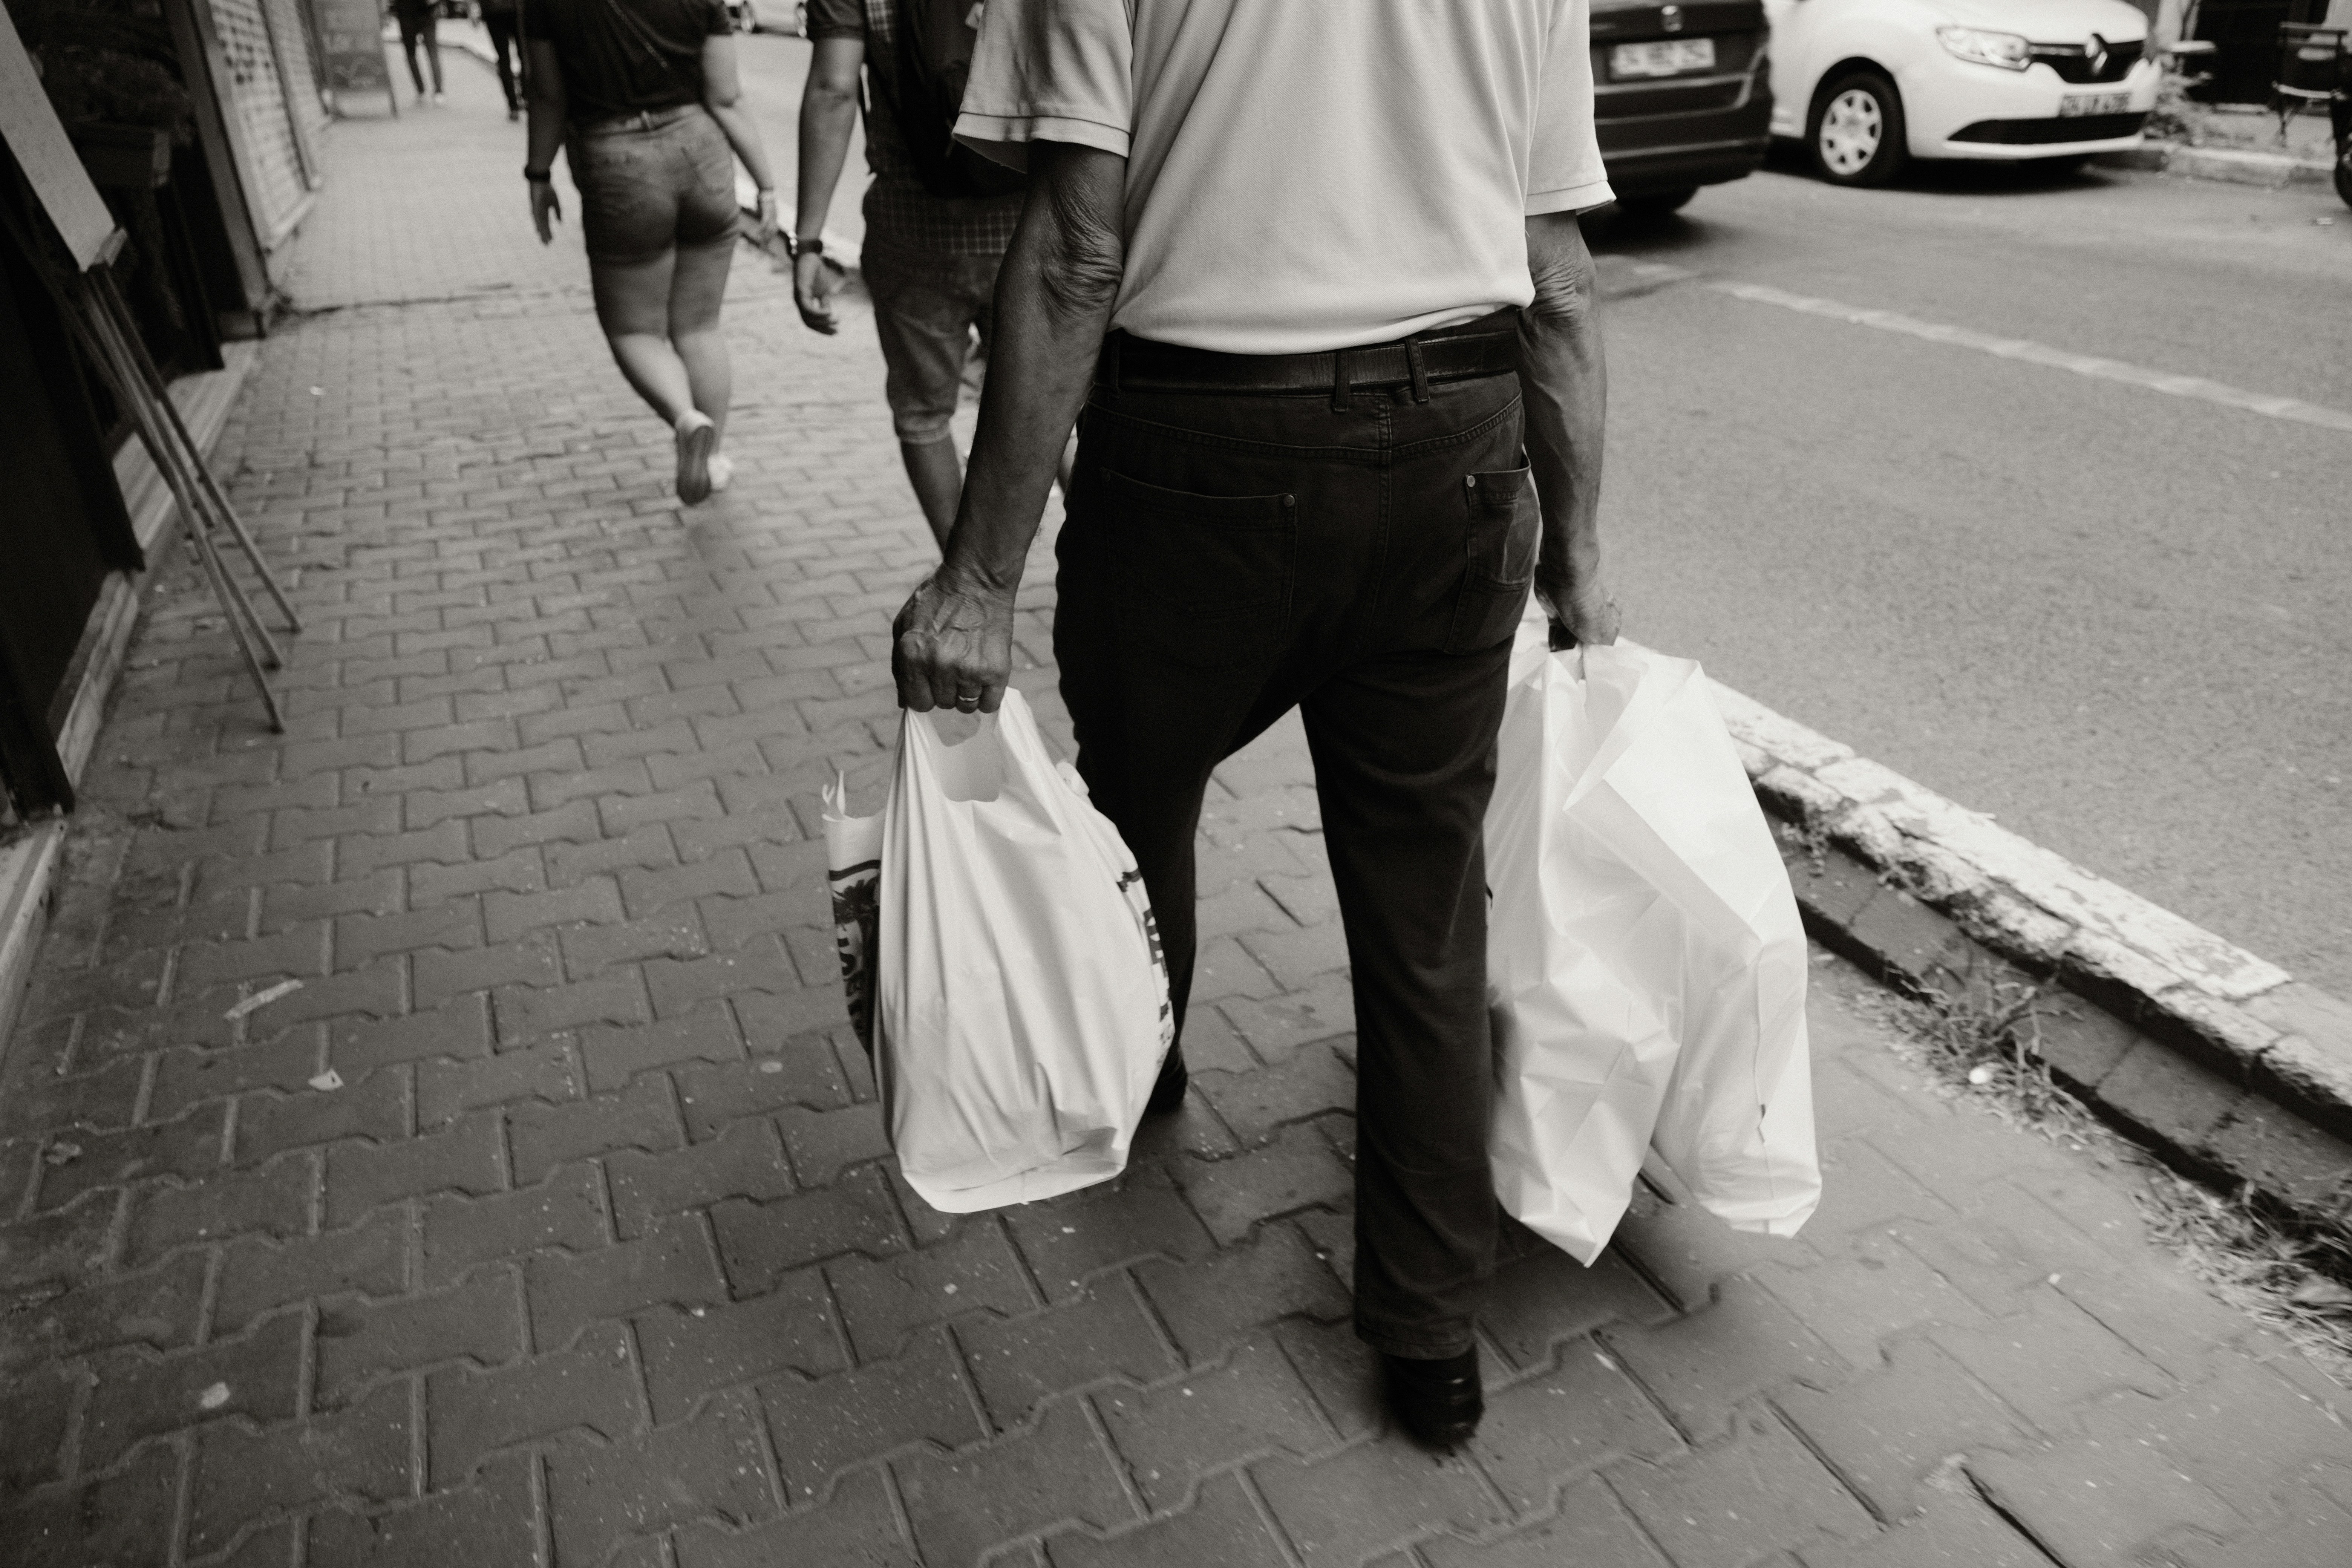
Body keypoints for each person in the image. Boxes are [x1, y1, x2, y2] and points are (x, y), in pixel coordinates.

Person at [889, 0, 1620, 1448]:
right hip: (1455, 455)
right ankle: (1429, 1334)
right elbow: (1557, 277)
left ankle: (1141, 1058)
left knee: (1142, 798)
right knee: (1424, 911)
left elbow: (1078, 254)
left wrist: (980, 575)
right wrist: (1580, 558)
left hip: (1192, 465)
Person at [790, 0, 1028, 548]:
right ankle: (1092, 572)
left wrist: (808, 241)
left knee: (924, 415)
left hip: (913, 233)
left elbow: (834, 89)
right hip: (1028, 226)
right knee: (1048, 405)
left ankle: (968, 584)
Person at [521, 0, 778, 504]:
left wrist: (538, 173)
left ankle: (686, 420)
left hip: (617, 162)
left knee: (633, 330)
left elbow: (548, 96)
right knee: (700, 327)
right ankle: (714, 457)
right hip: (701, 150)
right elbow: (726, 97)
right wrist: (766, 186)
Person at [392, 0, 445, 104]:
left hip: (408, 13)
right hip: (421, 12)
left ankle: (422, 90)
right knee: (431, 51)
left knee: (412, 53)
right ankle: (437, 90)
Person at [481, 0, 524, 120]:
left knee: (504, 59)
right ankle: (526, 96)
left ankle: (513, 106)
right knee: (524, 56)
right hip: (515, 9)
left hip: (493, 11)